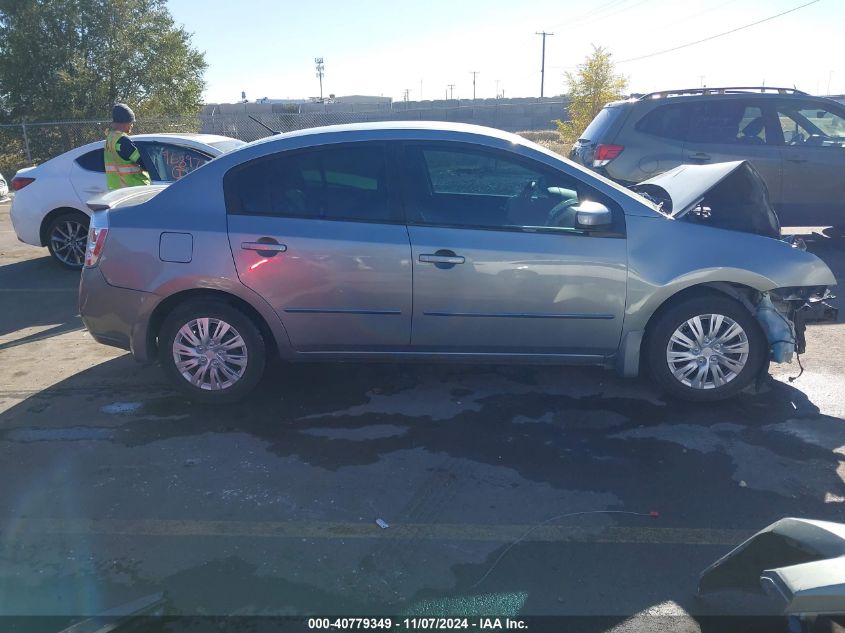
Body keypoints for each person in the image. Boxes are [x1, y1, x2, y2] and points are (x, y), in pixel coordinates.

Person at [104, 104, 151, 190]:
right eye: (131, 122)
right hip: (133, 190)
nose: (132, 125)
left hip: (116, 190)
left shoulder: (110, 139)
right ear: (124, 122)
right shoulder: (123, 141)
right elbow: (144, 162)